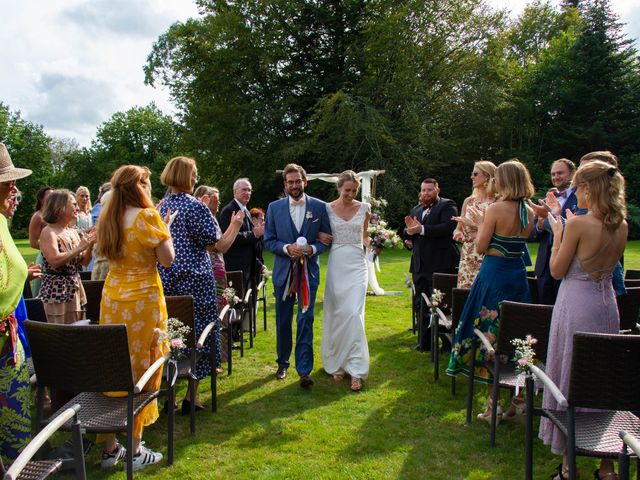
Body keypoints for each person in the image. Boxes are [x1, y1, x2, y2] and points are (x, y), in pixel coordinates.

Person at [539, 160, 627, 480]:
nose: (575, 192)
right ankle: (607, 466)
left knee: (573, 374)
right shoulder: (622, 225)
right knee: (601, 379)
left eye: (577, 186)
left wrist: (560, 231)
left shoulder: (578, 224)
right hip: (606, 305)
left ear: (589, 188)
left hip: (576, 304)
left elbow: (557, 271)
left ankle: (568, 465)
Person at [96, 165, 174, 471]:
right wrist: (164, 229)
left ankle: (109, 448)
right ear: (139, 186)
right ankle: (136, 449)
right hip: (143, 300)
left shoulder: (108, 217)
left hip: (113, 298)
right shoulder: (146, 217)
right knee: (144, 365)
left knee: (113, 364)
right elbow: (167, 260)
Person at [446, 160, 535, 420]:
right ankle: (517, 399)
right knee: (514, 331)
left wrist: (476, 227)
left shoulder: (496, 208)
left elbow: (482, 246)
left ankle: (492, 403)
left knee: (487, 331)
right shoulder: (528, 211)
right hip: (516, 276)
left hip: (494, 274)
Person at [159, 157, 243, 411]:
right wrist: (236, 225)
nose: (196, 178)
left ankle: (169, 395)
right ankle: (190, 396)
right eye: (194, 174)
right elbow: (218, 245)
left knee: (170, 334)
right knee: (200, 336)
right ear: (187, 176)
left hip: (166, 278)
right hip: (196, 281)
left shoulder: (160, 206)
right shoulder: (195, 206)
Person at [264, 163, 331, 388]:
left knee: (305, 320)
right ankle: (283, 363)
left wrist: (312, 250)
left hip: (308, 275)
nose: (294, 185)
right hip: (284, 275)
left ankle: (304, 370)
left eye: (298, 181)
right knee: (283, 321)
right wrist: (286, 249)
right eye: (290, 182)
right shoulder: (274, 208)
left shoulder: (320, 207)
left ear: (305, 182)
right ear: (285, 184)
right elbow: (269, 240)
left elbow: (326, 239)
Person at [321, 170, 371, 392]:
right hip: (337, 262)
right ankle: (337, 363)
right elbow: (319, 233)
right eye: (347, 190)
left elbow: (365, 235)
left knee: (353, 313)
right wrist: (319, 236)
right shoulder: (326, 209)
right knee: (337, 312)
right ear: (339, 187)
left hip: (357, 263)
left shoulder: (365, 208)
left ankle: (357, 369)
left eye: (354, 190)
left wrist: (376, 241)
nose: (350, 194)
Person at [0, 143, 34, 463]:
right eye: (7, 182)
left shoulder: (2, 222)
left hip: (8, 341)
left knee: (14, 432)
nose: (14, 188)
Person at [192, 184, 245, 367]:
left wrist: (233, 225)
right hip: (210, 273)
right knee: (214, 315)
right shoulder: (202, 219)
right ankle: (212, 358)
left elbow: (222, 245)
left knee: (221, 313)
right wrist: (235, 225)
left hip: (218, 271)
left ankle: (220, 355)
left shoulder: (212, 219)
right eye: (215, 198)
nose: (219, 202)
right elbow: (219, 246)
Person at [404, 178, 459, 350]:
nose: (425, 193)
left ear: (437, 190)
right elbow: (409, 231)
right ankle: (424, 342)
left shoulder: (447, 205)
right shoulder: (416, 209)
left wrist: (422, 230)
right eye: (423, 190)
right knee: (421, 304)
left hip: (441, 265)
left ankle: (447, 343)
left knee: (442, 304)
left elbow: (447, 228)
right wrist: (408, 238)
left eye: (429, 190)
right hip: (419, 265)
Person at [38, 190, 95, 324]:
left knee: (77, 329)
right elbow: (54, 261)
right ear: (60, 207)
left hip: (75, 288)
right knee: (59, 334)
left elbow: (85, 262)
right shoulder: (49, 231)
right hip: (55, 291)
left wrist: (91, 244)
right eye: (74, 204)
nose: (77, 208)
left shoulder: (73, 232)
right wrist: (80, 247)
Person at [530, 158, 578, 304]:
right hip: (544, 266)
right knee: (544, 310)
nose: (556, 177)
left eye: (560, 173)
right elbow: (532, 235)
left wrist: (553, 217)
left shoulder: (580, 198)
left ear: (572, 174)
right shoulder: (546, 200)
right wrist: (539, 223)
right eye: (553, 174)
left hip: (567, 264)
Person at [453, 161, 497, 288]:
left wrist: (476, 225)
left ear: (488, 176)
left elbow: (499, 232)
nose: (472, 177)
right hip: (467, 256)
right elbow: (458, 228)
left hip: (486, 254)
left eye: (475, 173)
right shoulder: (469, 201)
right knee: (465, 294)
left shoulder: (497, 201)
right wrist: (458, 234)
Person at [219, 178, 263, 297]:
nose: (247, 193)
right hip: (236, 267)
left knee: (249, 303)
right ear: (235, 192)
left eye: (249, 190)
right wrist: (254, 234)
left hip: (250, 267)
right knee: (239, 306)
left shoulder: (246, 211)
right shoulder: (228, 211)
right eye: (244, 190)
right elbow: (228, 237)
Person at [28, 186, 53, 296]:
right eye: (49, 196)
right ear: (41, 199)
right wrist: (50, 249)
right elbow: (33, 242)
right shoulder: (38, 216)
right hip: (44, 257)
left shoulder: (53, 215)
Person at [249, 207, 267, 289]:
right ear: (253, 220)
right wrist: (261, 266)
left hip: (257, 272)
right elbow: (250, 254)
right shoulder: (249, 236)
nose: (264, 222)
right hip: (250, 272)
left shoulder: (260, 236)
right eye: (261, 220)